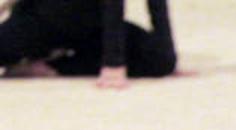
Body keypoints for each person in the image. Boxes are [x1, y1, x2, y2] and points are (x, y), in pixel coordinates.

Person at [0, 0, 176, 88]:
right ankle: (40, 56)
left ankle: (51, 65)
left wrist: (114, 62)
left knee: (160, 59)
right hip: (44, 20)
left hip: (94, 25)